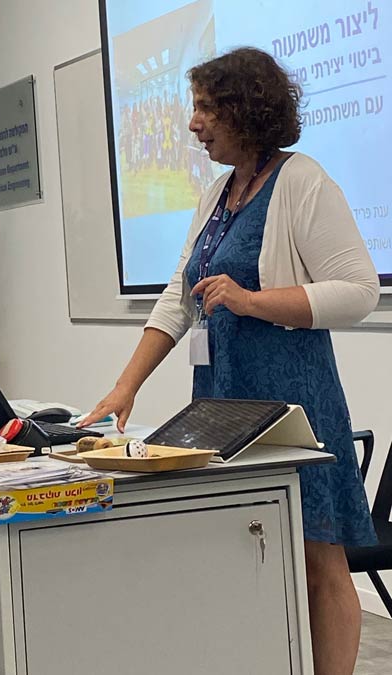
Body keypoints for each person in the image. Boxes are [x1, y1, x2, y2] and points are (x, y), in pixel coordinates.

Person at [79, 47, 379, 675]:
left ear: (247, 110)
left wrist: (251, 300)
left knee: (319, 560)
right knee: (245, 545)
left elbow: (359, 291)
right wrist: (126, 387)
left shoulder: (302, 180)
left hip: (293, 399)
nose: (193, 124)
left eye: (206, 109)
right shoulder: (217, 193)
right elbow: (179, 295)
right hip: (222, 397)